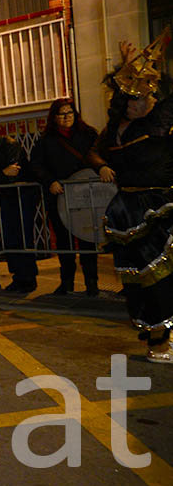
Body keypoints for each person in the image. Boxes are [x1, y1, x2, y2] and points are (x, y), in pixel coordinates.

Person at [93, 35, 173, 363]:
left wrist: (146, 63)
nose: (142, 101)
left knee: (164, 274)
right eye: (134, 98)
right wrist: (102, 167)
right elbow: (94, 153)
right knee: (146, 279)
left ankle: (164, 334)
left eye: (147, 96)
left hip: (163, 206)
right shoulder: (119, 128)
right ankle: (158, 338)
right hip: (131, 211)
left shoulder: (158, 122)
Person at [30, 98, 108, 296]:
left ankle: (92, 283)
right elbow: (36, 165)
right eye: (61, 114)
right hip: (60, 195)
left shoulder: (89, 135)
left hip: (85, 195)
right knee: (64, 241)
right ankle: (67, 281)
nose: (66, 117)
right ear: (54, 117)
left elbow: (100, 155)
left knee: (87, 239)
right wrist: (50, 181)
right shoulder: (46, 140)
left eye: (70, 113)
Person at [0, 116, 39, 293]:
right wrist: (2, 173)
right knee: (10, 236)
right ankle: (18, 276)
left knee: (23, 236)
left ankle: (28, 277)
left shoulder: (11, 145)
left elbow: (14, 174)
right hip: (4, 197)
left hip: (22, 196)